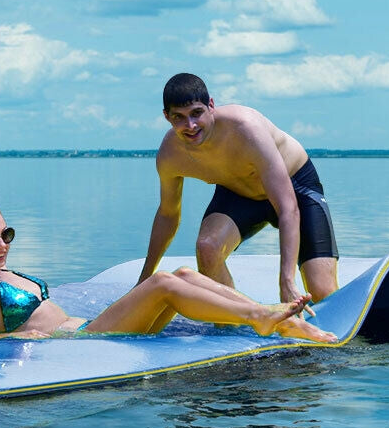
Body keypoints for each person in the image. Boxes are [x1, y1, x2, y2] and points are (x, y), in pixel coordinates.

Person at [0, 202, 336, 343]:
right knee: (163, 283)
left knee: (185, 273)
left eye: (6, 234)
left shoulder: (0, 272)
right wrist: (28, 337)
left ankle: (276, 316)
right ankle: (262, 318)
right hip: (83, 341)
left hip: (89, 325)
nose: (2, 245)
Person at [140, 73, 340, 306]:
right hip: (238, 194)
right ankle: (234, 322)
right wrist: (145, 279)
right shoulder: (170, 155)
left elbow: (288, 208)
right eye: (179, 117)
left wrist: (286, 281)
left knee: (322, 292)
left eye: (196, 113)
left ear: (211, 106)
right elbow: (167, 214)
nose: (191, 126)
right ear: (167, 117)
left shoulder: (246, 128)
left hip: (296, 188)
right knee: (207, 247)